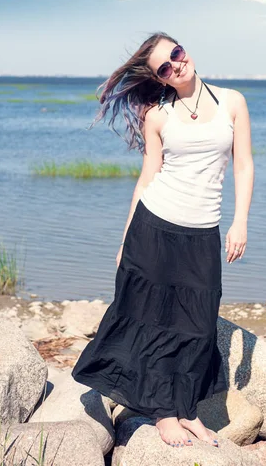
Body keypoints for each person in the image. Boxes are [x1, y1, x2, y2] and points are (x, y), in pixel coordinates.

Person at [71, 32, 254, 449]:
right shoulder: (157, 115)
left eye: (176, 54)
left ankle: (186, 409)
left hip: (203, 229)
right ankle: (165, 413)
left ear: (185, 48)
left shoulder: (232, 102)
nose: (176, 65)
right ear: (161, 78)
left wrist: (240, 221)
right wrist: (124, 238)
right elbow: (148, 176)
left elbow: (243, 165)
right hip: (154, 224)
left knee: (198, 323)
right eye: (164, 68)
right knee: (154, 319)